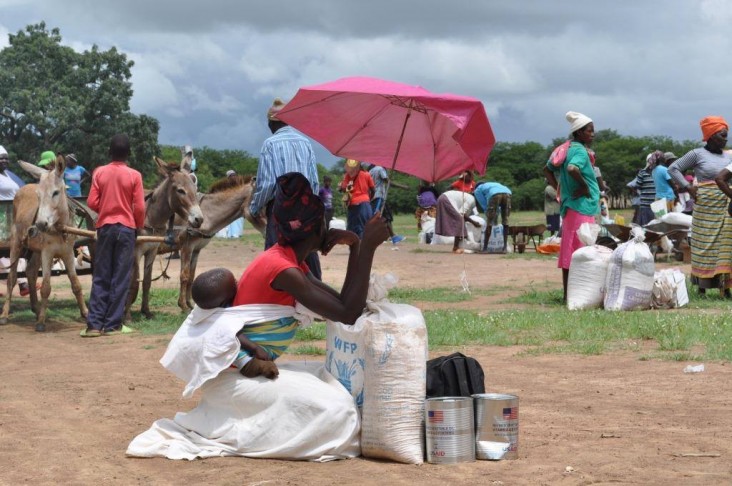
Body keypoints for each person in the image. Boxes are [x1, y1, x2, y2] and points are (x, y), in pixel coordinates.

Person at [127, 172, 389, 461]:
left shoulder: (289, 262)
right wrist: (367, 247)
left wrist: (355, 247)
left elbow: (343, 306)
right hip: (236, 381)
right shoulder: (283, 270)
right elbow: (348, 312)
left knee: (336, 387)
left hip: (242, 378)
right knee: (341, 412)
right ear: (316, 230)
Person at [249, 98, 322, 280]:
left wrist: (255, 207)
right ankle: (315, 295)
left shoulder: (270, 144)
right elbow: (314, 182)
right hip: (305, 208)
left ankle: (279, 300)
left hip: (280, 210)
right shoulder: (305, 143)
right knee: (306, 254)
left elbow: (266, 184)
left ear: (270, 123)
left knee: (278, 258)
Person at [83, 134, 145, 337]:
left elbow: (91, 203)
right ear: (128, 154)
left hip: (105, 227)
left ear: (110, 152)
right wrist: (139, 226)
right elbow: (140, 207)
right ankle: (112, 326)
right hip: (127, 229)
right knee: (120, 276)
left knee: (101, 275)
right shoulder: (134, 175)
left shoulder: (99, 172)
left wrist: (107, 206)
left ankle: (93, 326)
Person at [670, 116, 732, 297]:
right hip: (705, 205)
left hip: (726, 205)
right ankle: (702, 286)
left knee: (725, 245)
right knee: (704, 244)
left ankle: (725, 287)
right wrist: (688, 187)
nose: (725, 139)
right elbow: (673, 168)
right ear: (712, 135)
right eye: (722, 135)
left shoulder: (728, 155)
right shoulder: (696, 154)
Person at [543, 111, 600, 302]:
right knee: (582, 250)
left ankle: (569, 294)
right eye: (589, 131)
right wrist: (584, 187)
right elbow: (572, 168)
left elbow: (547, 169)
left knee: (569, 249)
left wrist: (559, 190)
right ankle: (578, 294)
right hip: (581, 207)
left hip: (570, 206)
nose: (593, 134)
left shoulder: (567, 148)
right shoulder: (580, 151)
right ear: (579, 132)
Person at [191, 268, 278, 379]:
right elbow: (234, 332)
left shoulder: (211, 305)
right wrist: (255, 348)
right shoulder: (222, 316)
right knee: (230, 348)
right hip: (217, 345)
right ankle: (250, 366)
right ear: (223, 301)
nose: (237, 282)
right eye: (234, 284)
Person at [0, 145, 33, 297]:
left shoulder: (9, 175)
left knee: (18, 250)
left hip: (14, 217)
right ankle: (22, 283)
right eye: (1, 158)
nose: (4, 161)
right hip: (2, 218)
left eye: (6, 158)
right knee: (7, 251)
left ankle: (22, 283)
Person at [367, 163, 405, 244]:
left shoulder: (370, 171)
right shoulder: (380, 169)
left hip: (372, 197)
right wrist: (402, 186)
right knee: (380, 217)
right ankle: (384, 236)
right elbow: (387, 181)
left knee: (383, 217)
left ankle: (392, 236)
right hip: (379, 196)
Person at [434, 189, 479, 254]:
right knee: (459, 220)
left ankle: (457, 245)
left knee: (459, 220)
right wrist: (474, 223)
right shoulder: (471, 199)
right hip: (446, 199)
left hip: (442, 198)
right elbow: (462, 214)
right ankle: (455, 248)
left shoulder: (469, 198)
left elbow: (463, 215)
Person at [339, 159, 374, 238]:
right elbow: (373, 190)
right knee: (365, 226)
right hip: (365, 203)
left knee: (353, 227)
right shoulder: (367, 174)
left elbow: (344, 188)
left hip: (353, 204)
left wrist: (341, 187)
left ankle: (355, 247)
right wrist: (368, 199)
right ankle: (362, 247)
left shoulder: (348, 175)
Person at [473, 181, 511, 253]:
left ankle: (485, 249)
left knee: (489, 222)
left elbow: (484, 204)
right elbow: (498, 206)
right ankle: (504, 248)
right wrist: (496, 212)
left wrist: (489, 215)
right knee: (505, 220)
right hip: (507, 193)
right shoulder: (492, 185)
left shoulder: (478, 189)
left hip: (495, 194)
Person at [630, 152, 657, 226]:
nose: (652, 162)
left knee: (656, 226)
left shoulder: (658, 172)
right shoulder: (642, 173)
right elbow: (637, 186)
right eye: (650, 160)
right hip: (645, 205)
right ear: (648, 161)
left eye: (654, 160)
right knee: (646, 226)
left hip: (657, 204)